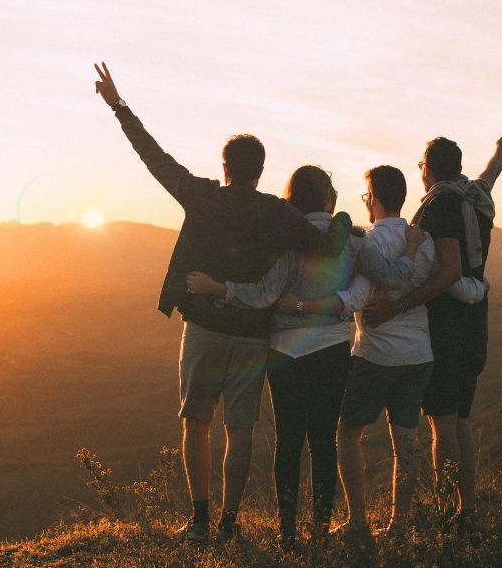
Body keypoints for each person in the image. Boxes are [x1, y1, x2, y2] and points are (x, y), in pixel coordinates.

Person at [92, 62, 353, 543]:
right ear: (260, 171)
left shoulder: (202, 196)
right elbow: (323, 242)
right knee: (241, 427)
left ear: (226, 167)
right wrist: (349, 225)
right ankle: (231, 523)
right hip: (253, 333)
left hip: (205, 327)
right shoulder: (278, 213)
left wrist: (119, 106)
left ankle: (200, 519)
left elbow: (154, 157)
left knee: (197, 422)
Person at [185, 165, 423, 550]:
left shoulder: (287, 242)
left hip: (284, 353)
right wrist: (410, 252)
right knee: (324, 442)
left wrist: (221, 288)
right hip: (331, 349)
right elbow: (394, 278)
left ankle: (288, 532)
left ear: (292, 199)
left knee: (290, 442)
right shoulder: (353, 242)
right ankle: (320, 530)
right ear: (330, 199)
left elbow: (263, 294)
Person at [364, 125, 502, 534]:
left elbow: (448, 270)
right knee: (459, 420)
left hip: (448, 325)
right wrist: (501, 149)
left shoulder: (439, 208)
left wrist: (398, 305)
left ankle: (450, 512)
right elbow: (492, 173)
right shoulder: (475, 196)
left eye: (421, 166)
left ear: (429, 170)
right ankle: (465, 510)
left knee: (442, 421)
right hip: (475, 321)